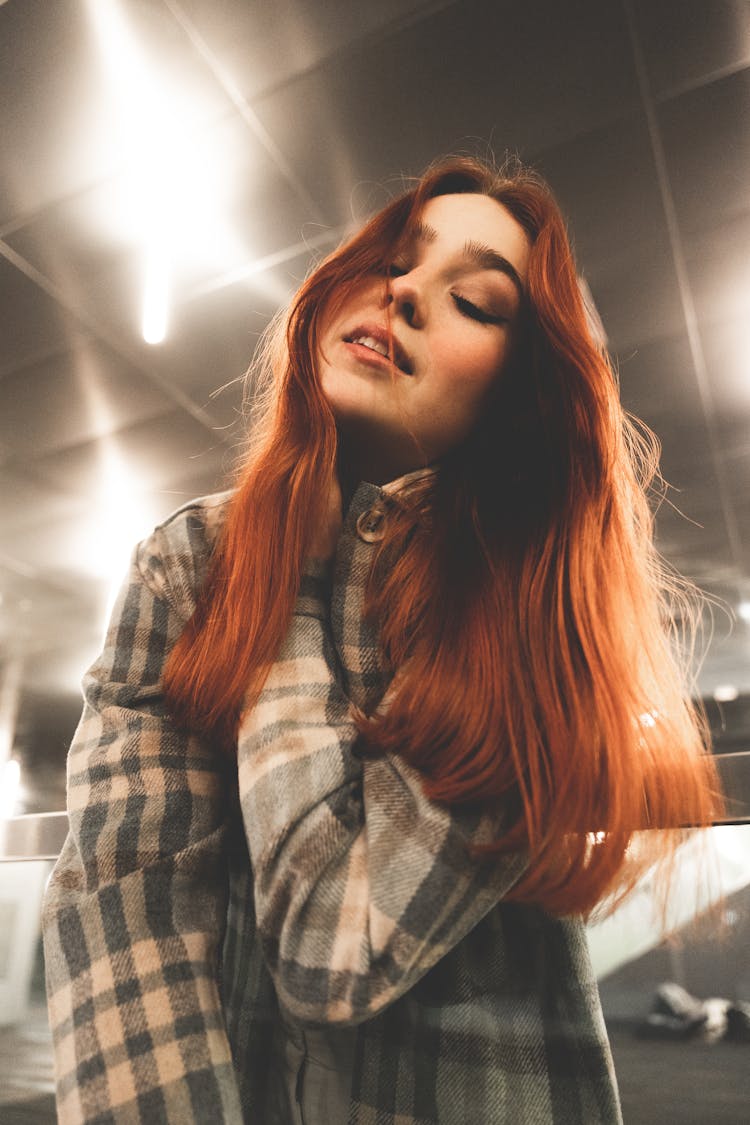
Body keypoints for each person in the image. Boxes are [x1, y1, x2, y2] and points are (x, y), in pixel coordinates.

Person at [42, 156, 723, 1124]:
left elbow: (335, 944)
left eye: (477, 301)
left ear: (521, 396)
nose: (404, 292)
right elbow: (124, 910)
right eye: (397, 260)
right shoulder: (187, 561)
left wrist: (293, 575)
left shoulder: (527, 616)